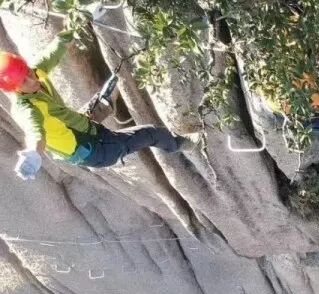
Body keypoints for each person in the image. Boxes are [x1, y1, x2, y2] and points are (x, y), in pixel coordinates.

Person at [1, 30, 196, 181]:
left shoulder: (36, 73)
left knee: (107, 94)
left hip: (81, 126)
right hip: (93, 151)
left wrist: (79, 20)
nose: (32, 78)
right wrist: (34, 153)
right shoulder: (27, 109)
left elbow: (56, 48)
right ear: (15, 89)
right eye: (24, 81)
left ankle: (102, 106)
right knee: (150, 133)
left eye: (28, 71)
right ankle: (182, 144)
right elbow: (35, 131)